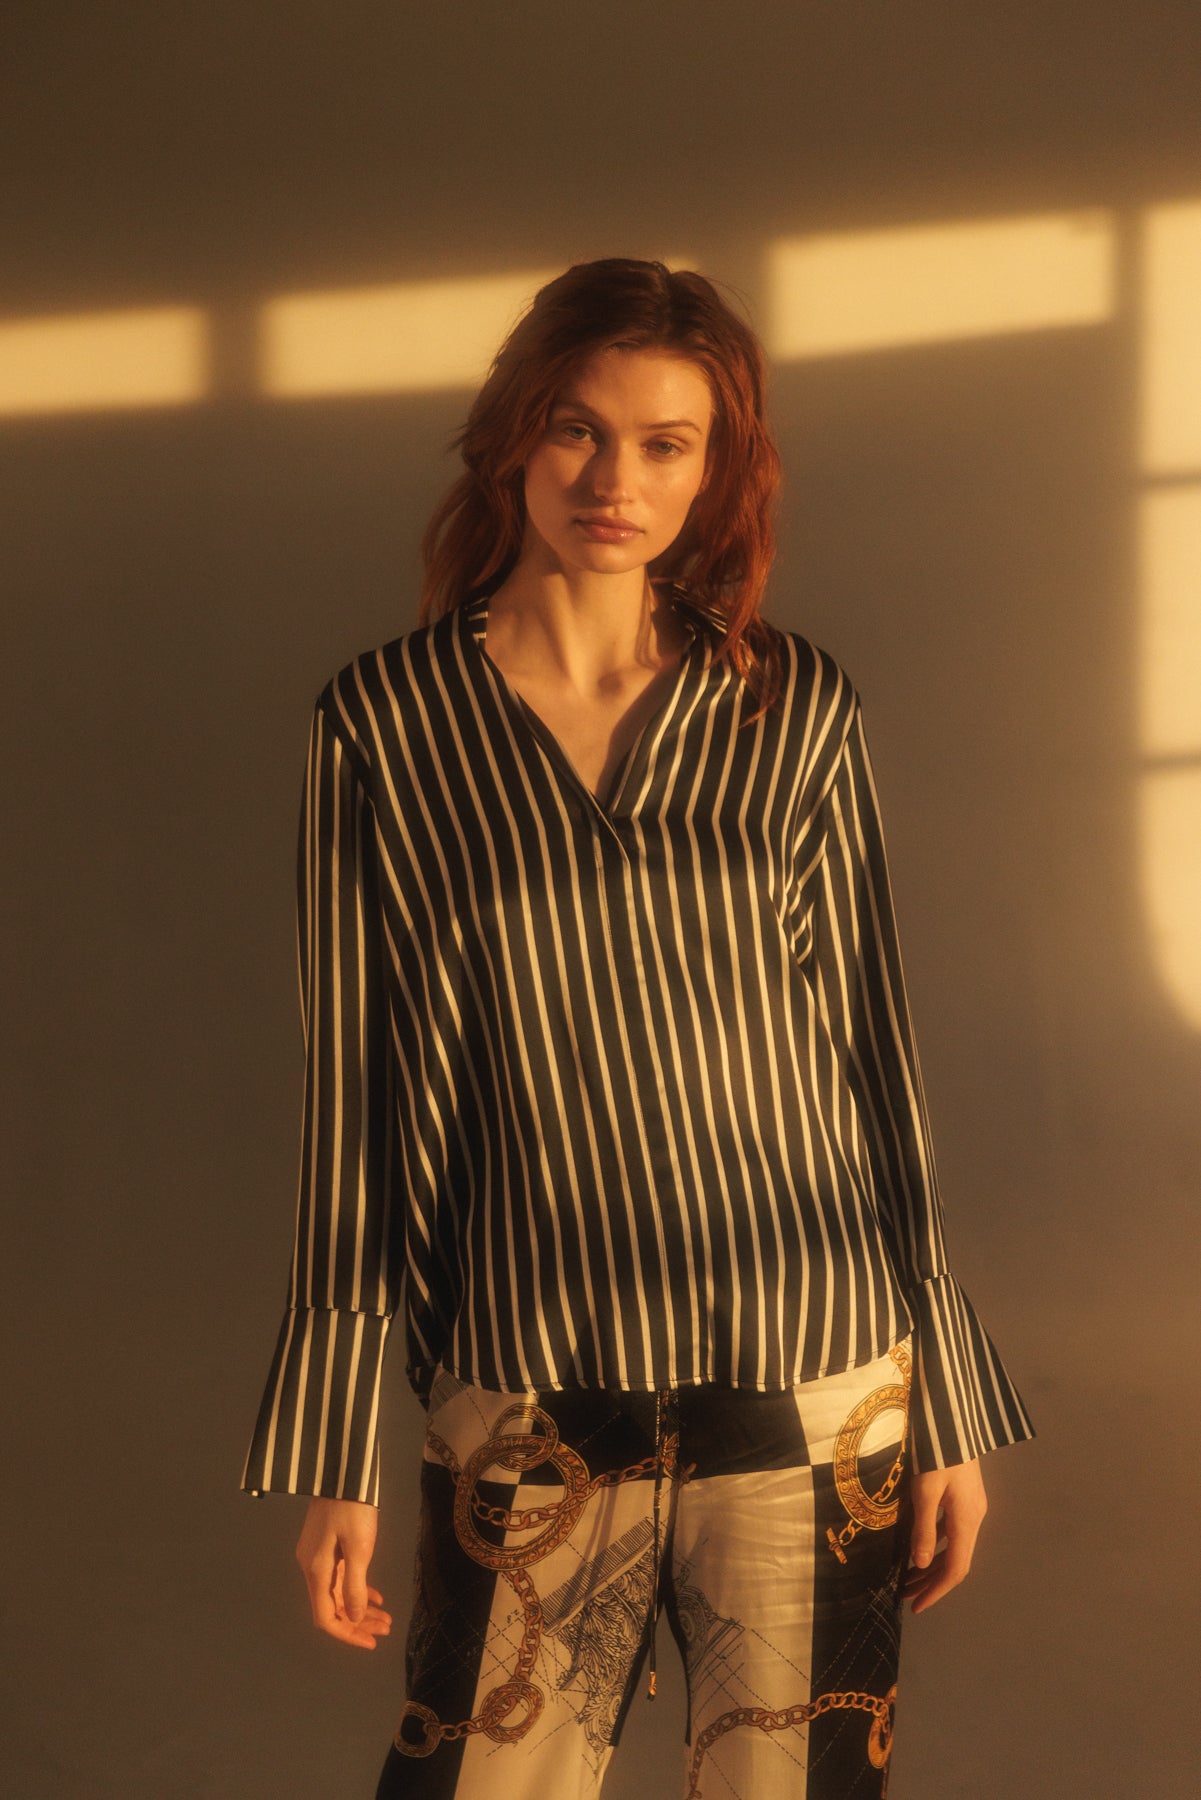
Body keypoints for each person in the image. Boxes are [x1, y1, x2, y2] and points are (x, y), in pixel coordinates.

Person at [242, 257, 1034, 1800]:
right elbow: (356, 1102)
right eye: (577, 431)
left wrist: (940, 1396)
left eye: (665, 443)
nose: (615, 479)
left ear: (716, 468)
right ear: (512, 438)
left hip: (814, 1376)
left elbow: (876, 1065)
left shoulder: (791, 708)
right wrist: (334, 1441)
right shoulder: (385, 729)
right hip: (531, 1383)